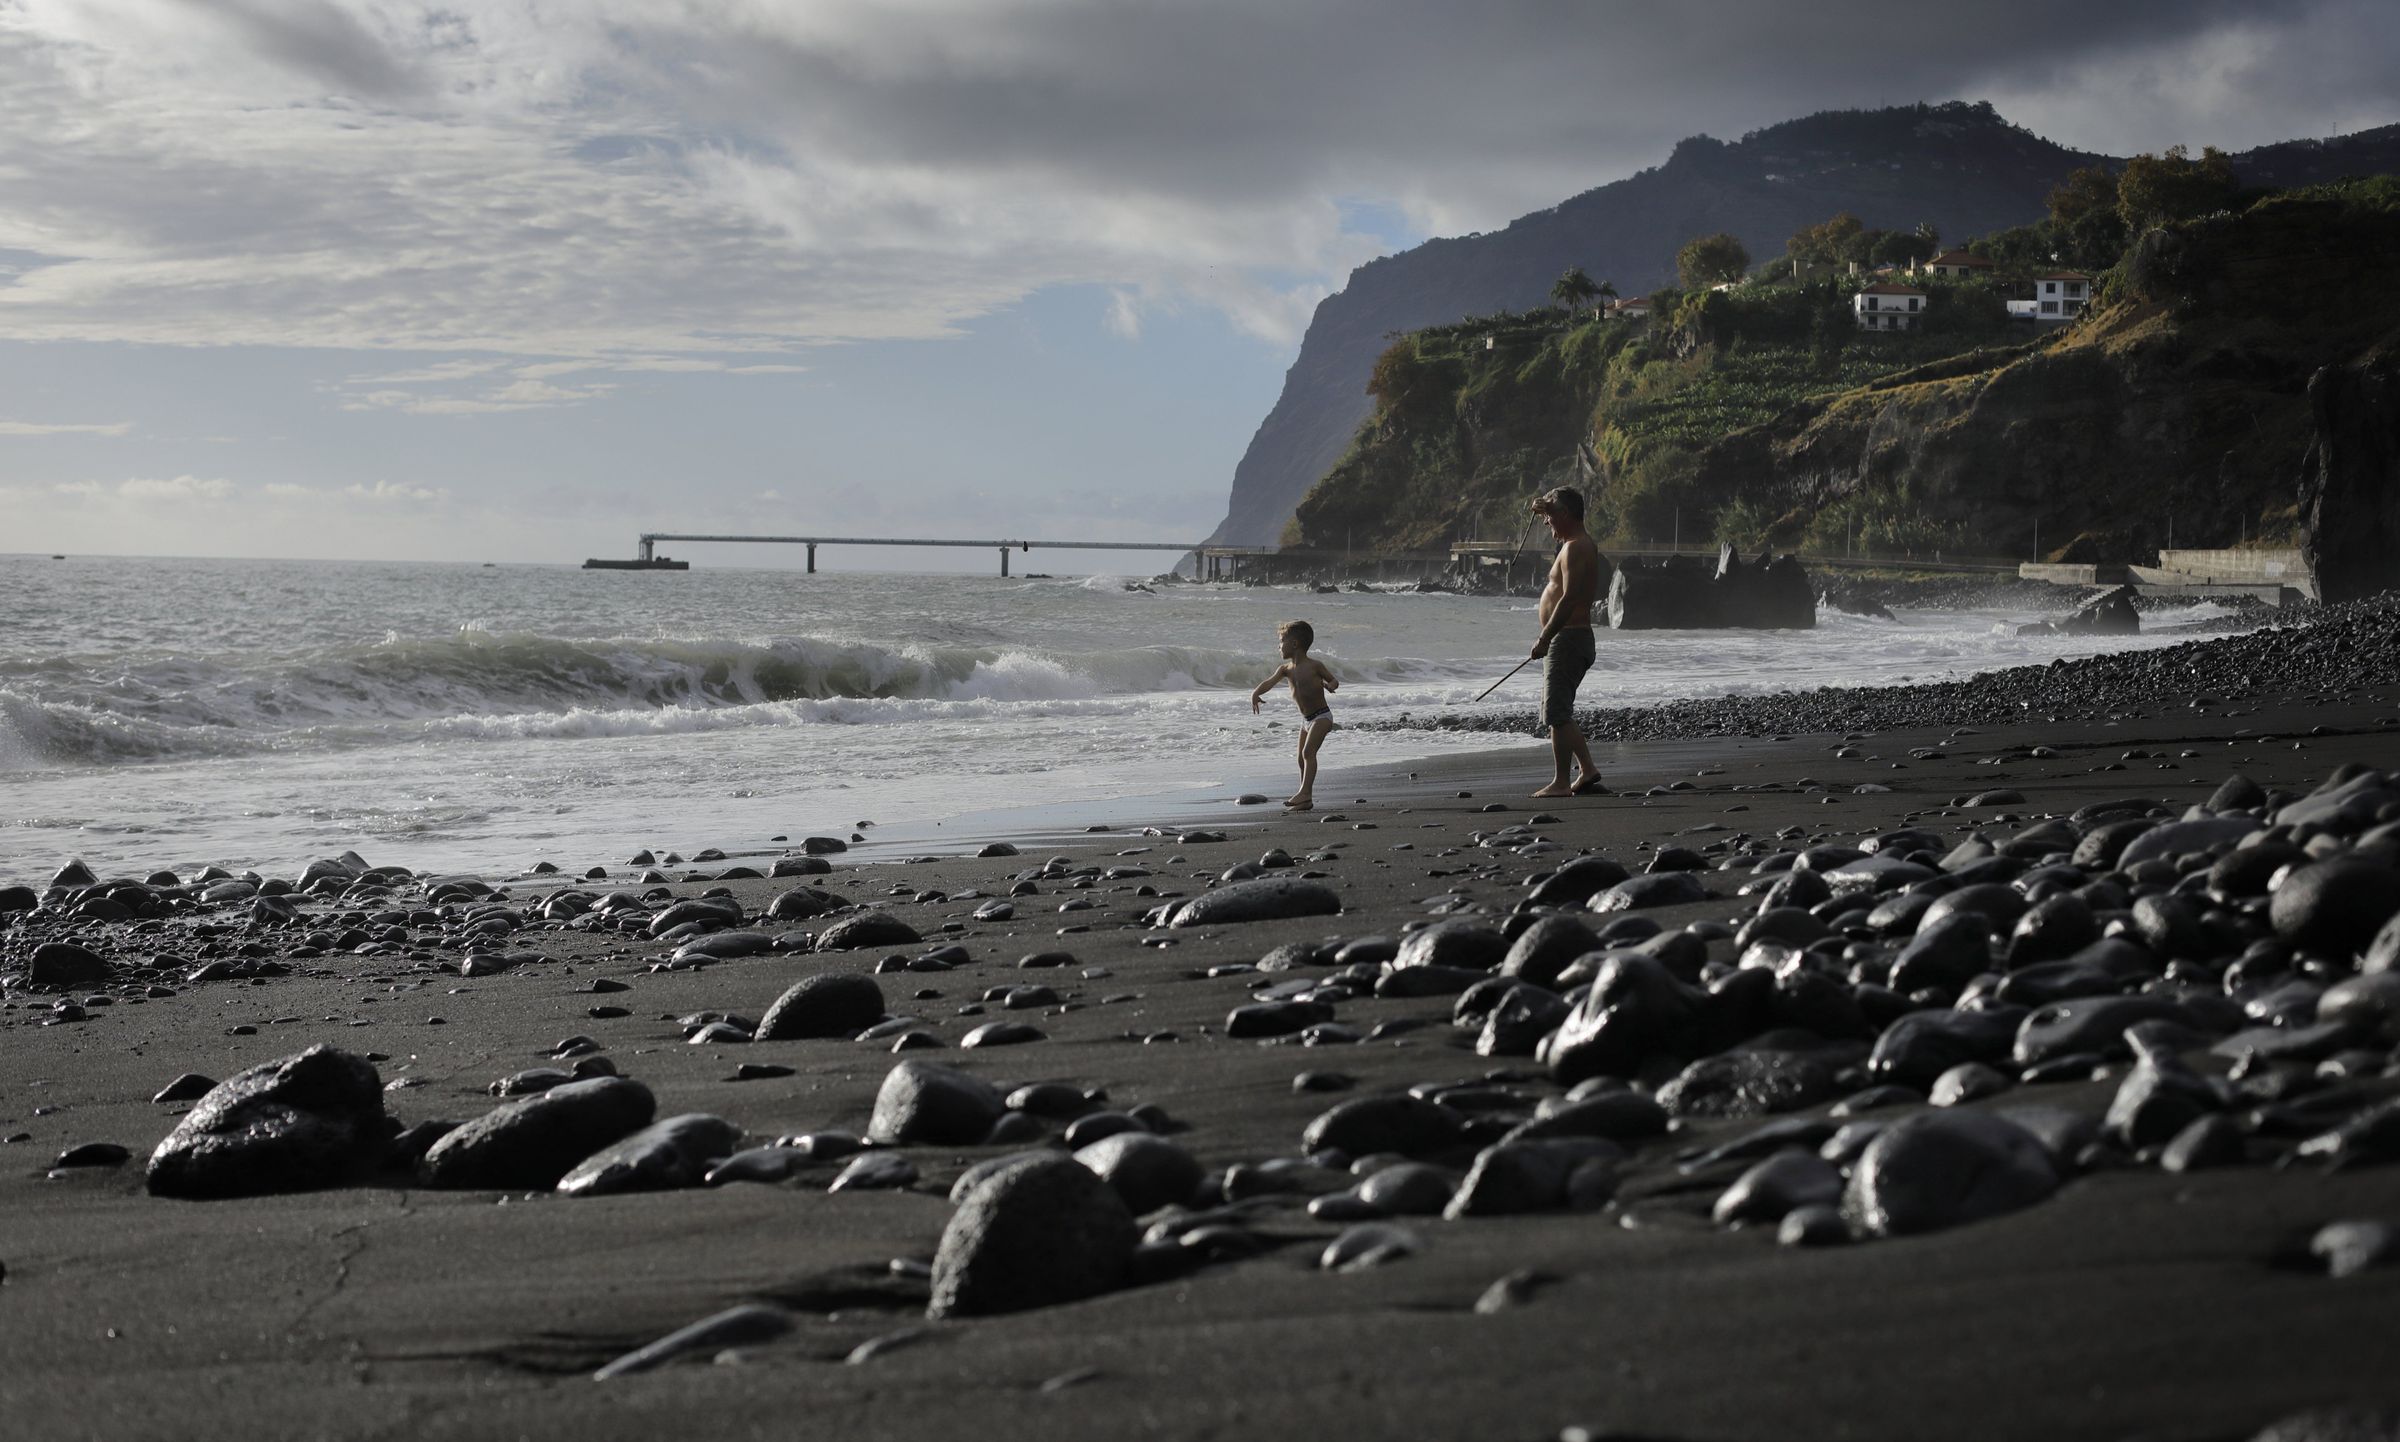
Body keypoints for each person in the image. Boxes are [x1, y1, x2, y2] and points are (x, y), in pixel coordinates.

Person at [1526, 486, 1604, 798]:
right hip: (1572, 638)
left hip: (1568, 638)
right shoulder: (1579, 544)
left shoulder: (1575, 547)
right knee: (1560, 710)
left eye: (1551, 518)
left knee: (1556, 713)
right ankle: (1586, 770)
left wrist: (1545, 636)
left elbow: (1570, 597)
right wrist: (1544, 506)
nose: (1548, 525)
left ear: (1567, 515)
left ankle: (1561, 782)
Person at [1250, 619, 1340, 811]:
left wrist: (1330, 686)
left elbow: (1334, 680)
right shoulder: (1285, 670)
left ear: (1294, 644)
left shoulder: (1315, 666)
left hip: (1322, 716)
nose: (1278, 646)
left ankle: (1305, 793)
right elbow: (1268, 682)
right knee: (1300, 758)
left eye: (1281, 641)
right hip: (1306, 720)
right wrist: (1255, 693)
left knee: (1309, 753)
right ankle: (1305, 798)